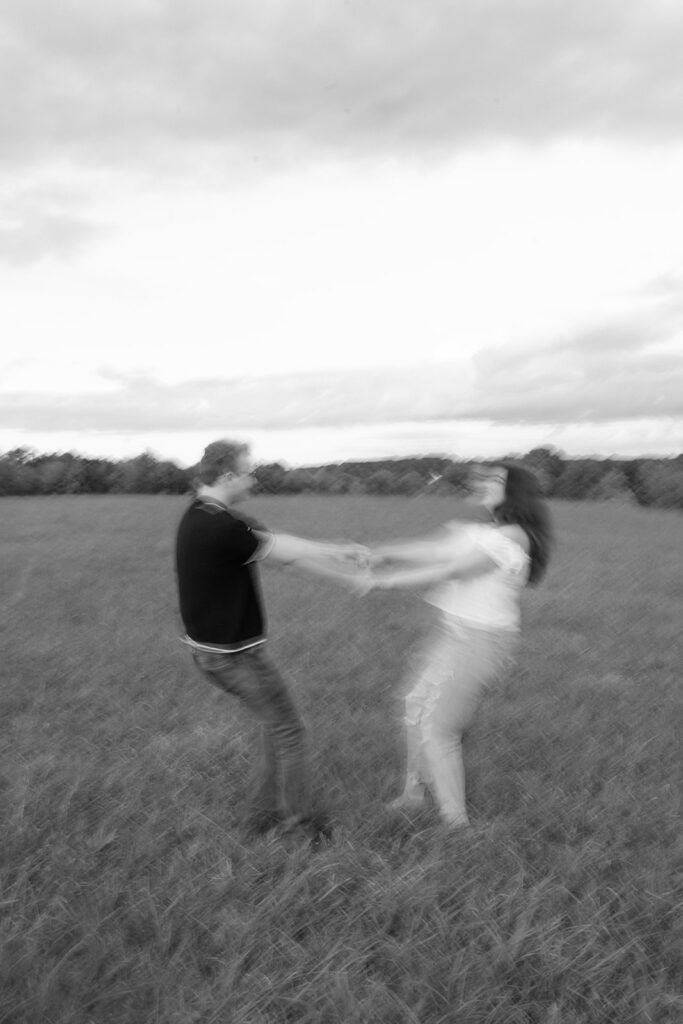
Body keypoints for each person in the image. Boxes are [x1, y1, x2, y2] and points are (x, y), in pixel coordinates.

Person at [175, 439, 366, 842]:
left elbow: (285, 554)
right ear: (228, 476)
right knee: (291, 732)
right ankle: (300, 827)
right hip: (235, 658)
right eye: (249, 469)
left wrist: (348, 579)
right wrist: (342, 552)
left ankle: (261, 816)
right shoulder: (220, 526)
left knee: (272, 726)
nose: (255, 476)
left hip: (214, 655)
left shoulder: (202, 513)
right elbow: (283, 548)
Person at [368, 462, 552, 830]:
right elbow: (431, 551)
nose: (483, 483)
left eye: (495, 480)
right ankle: (412, 796)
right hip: (456, 634)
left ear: (515, 492)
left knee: (438, 728)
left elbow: (455, 570)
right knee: (414, 705)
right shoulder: (484, 531)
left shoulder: (513, 538)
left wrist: (384, 581)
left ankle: (457, 825)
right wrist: (378, 552)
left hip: (481, 642)